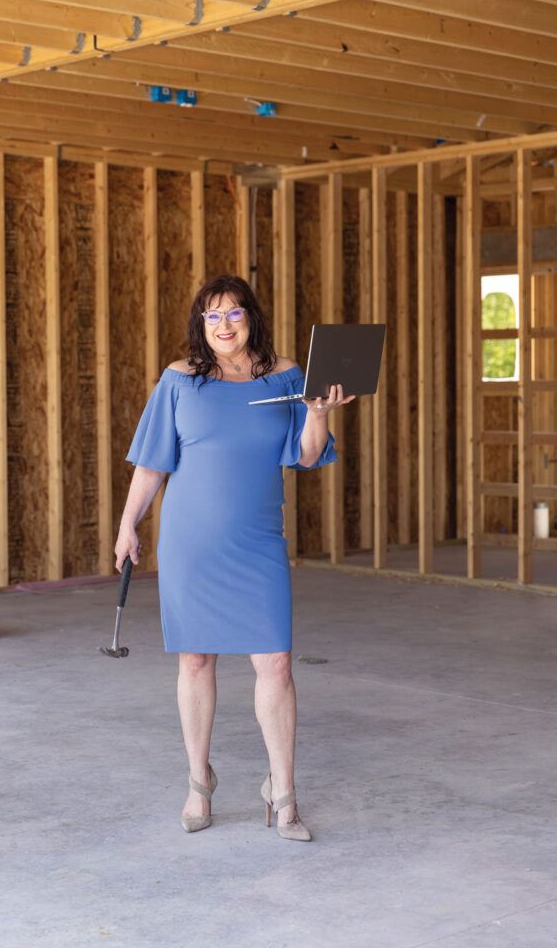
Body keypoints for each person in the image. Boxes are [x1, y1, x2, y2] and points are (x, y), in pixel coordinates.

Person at [114, 274, 354, 840]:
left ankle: (284, 793)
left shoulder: (289, 376)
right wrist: (128, 524)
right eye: (211, 316)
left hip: (258, 543)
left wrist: (318, 412)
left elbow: (306, 453)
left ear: (252, 318)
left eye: (234, 314)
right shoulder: (178, 381)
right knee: (195, 660)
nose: (223, 326)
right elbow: (152, 463)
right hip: (190, 543)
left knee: (275, 664)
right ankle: (200, 781)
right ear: (201, 325)